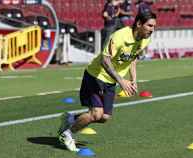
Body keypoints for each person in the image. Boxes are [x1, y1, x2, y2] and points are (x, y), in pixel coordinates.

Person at [58, 11, 157, 152]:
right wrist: (121, 81)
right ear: (139, 24)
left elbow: (133, 58)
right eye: (149, 26)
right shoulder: (120, 36)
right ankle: (67, 134)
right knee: (96, 113)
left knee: (104, 117)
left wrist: (134, 80)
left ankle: (71, 118)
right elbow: (105, 60)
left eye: (154, 26)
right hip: (96, 76)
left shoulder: (145, 39)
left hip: (111, 80)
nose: (152, 29)